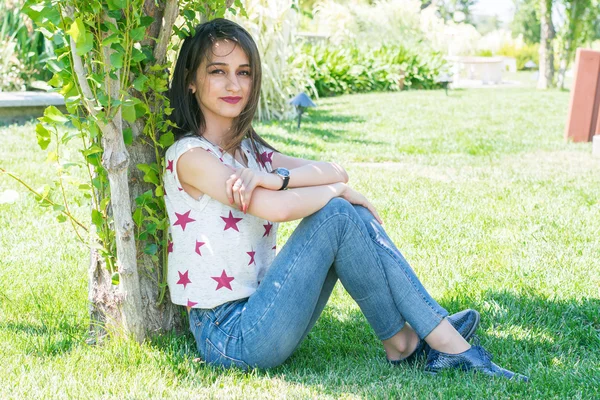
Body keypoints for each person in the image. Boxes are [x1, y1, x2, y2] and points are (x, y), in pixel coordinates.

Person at [162, 18, 528, 381]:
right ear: (191, 82)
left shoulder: (250, 152)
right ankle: (441, 336)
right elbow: (277, 207)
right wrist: (335, 192)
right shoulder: (192, 156)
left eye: (243, 72)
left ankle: (406, 340)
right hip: (231, 337)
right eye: (217, 71)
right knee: (337, 212)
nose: (233, 84)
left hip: (264, 313)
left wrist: (277, 178)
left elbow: (334, 170)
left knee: (343, 212)